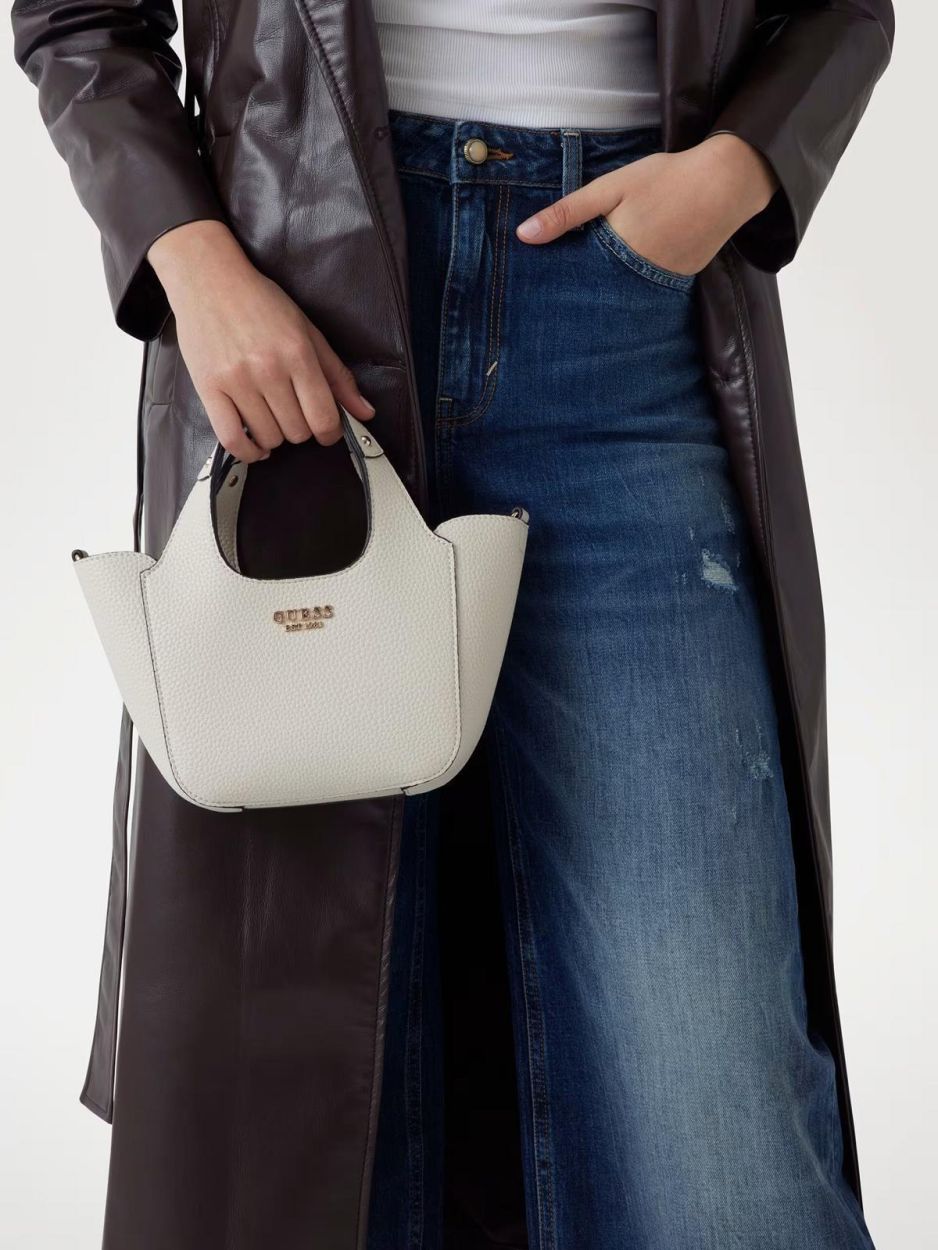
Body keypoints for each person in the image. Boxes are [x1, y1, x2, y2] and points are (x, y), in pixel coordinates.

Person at [12, 0, 894, 1246]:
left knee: (716, 1101)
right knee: (321, 1097)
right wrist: (189, 257)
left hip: (621, 318)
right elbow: (79, 17)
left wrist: (739, 165)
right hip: (294, 316)